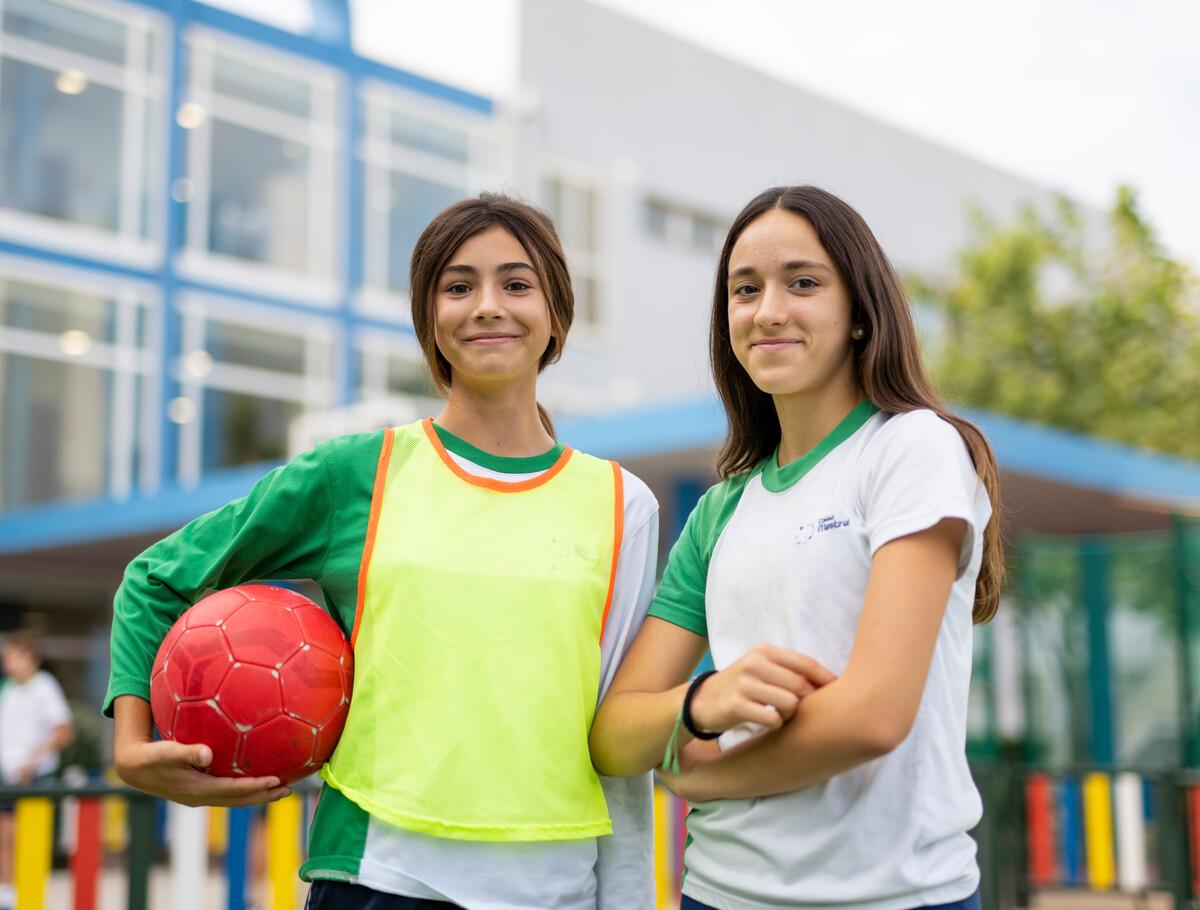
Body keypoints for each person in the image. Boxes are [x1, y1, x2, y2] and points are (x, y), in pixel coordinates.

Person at [105, 194, 659, 910]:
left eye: (517, 284)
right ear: (429, 318)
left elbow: (621, 734)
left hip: (556, 888)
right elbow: (155, 579)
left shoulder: (623, 504)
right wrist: (131, 743)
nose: (488, 305)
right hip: (377, 879)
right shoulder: (354, 474)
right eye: (458, 286)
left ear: (557, 313)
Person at [590, 185, 1002, 910]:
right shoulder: (721, 510)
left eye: (803, 283)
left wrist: (698, 774)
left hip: (901, 898)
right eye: (744, 290)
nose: (769, 310)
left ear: (859, 312)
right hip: (718, 895)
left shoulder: (912, 450)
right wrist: (703, 701)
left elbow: (873, 716)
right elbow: (616, 734)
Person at [0, 631, 75, 910]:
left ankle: (28, 895)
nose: (7, 661)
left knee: (27, 838)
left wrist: (33, 762)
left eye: (12, 656)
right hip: (8, 776)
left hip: (35, 777)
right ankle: (7, 893)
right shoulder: (7, 688)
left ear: (29, 658)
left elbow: (63, 731)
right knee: (4, 834)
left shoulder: (45, 686)